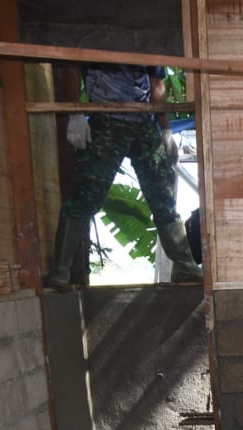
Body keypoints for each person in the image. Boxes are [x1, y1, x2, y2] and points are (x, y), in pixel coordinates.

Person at [47, 63, 202, 290]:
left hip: (144, 122)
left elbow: (157, 84)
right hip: (106, 119)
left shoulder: (149, 48)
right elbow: (73, 68)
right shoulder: (92, 43)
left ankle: (185, 267)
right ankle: (61, 271)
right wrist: (75, 112)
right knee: (86, 194)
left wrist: (166, 129)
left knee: (163, 197)